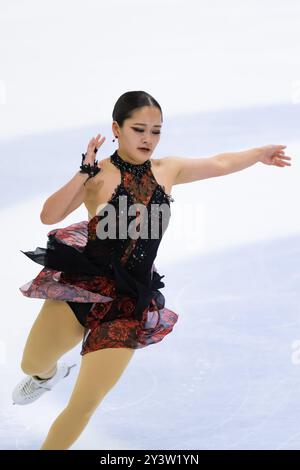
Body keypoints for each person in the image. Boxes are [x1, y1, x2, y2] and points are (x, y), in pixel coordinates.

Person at [13, 90, 292, 450]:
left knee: (83, 405)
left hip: (128, 301)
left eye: (156, 131)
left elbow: (219, 162)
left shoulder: (166, 170)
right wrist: (83, 171)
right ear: (117, 128)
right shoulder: (97, 175)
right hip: (84, 286)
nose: (148, 139)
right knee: (31, 362)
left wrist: (258, 155)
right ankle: (46, 375)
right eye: (139, 129)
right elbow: (49, 216)